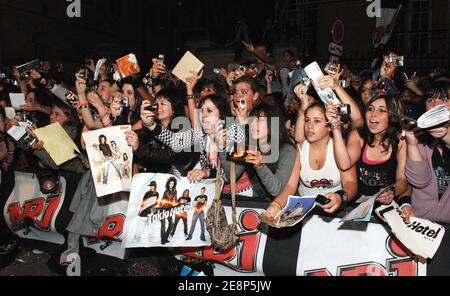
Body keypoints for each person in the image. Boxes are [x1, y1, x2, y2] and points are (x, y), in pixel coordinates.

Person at [330, 94, 408, 210]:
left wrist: (393, 191)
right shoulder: (358, 135)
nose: (373, 114)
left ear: (393, 116)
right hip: (357, 207)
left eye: (381, 110)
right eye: (370, 109)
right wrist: (335, 126)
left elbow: (402, 180)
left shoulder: (401, 141)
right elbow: (344, 164)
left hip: (386, 208)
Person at [295, 102, 358, 213]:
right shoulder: (300, 148)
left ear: (329, 127)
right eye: (307, 120)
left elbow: (351, 184)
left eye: (317, 121)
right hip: (303, 209)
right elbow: (291, 186)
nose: (310, 126)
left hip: (335, 209)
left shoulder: (339, 148)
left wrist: (339, 197)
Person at [158, 177, 177, 244]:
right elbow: (162, 200)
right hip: (163, 208)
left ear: (174, 184)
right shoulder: (166, 192)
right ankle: (162, 240)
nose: (171, 185)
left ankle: (165, 238)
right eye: (170, 184)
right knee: (163, 225)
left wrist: (177, 206)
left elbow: (176, 200)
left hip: (170, 209)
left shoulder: (175, 191)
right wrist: (159, 209)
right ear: (168, 184)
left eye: (172, 184)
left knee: (171, 225)